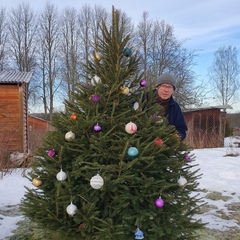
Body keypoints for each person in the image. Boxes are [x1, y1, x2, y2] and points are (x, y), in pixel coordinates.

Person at [155, 72, 187, 141]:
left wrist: (177, 136)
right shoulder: (143, 99)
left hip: (165, 146)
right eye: (163, 86)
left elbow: (182, 129)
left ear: (173, 90)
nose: (166, 90)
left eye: (169, 87)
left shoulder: (175, 108)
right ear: (157, 87)